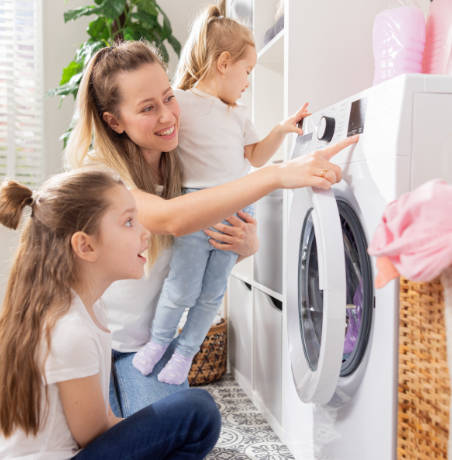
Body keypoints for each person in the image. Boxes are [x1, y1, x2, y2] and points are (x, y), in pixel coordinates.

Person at [66, 41, 357, 416]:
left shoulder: (187, 167)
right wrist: (276, 175)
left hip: (146, 346)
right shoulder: (101, 175)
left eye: (169, 98)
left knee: (188, 422)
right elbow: (170, 218)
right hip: (91, 345)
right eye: (147, 108)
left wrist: (241, 250)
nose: (168, 116)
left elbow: (189, 259)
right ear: (114, 121)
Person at [0, 170, 222, 460]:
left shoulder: (86, 308)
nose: (144, 232)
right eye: (129, 221)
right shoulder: (70, 329)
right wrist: (157, 436)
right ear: (86, 246)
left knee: (186, 414)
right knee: (198, 412)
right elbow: (93, 436)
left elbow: (102, 424)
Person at [132, 0, 312, 385]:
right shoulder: (181, 103)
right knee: (181, 289)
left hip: (235, 214)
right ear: (223, 62)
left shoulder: (240, 114)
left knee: (212, 296)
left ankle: (184, 355)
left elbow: (258, 158)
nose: (248, 80)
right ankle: (158, 344)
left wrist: (280, 130)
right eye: (247, 70)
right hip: (195, 210)